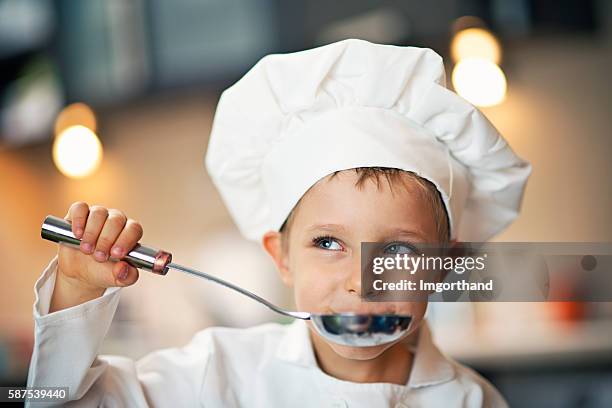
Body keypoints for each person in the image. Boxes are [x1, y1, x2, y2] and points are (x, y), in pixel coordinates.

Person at [27, 39, 531, 407]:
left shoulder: (472, 399)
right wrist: (75, 289)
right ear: (281, 256)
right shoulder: (216, 375)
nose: (360, 282)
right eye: (328, 241)